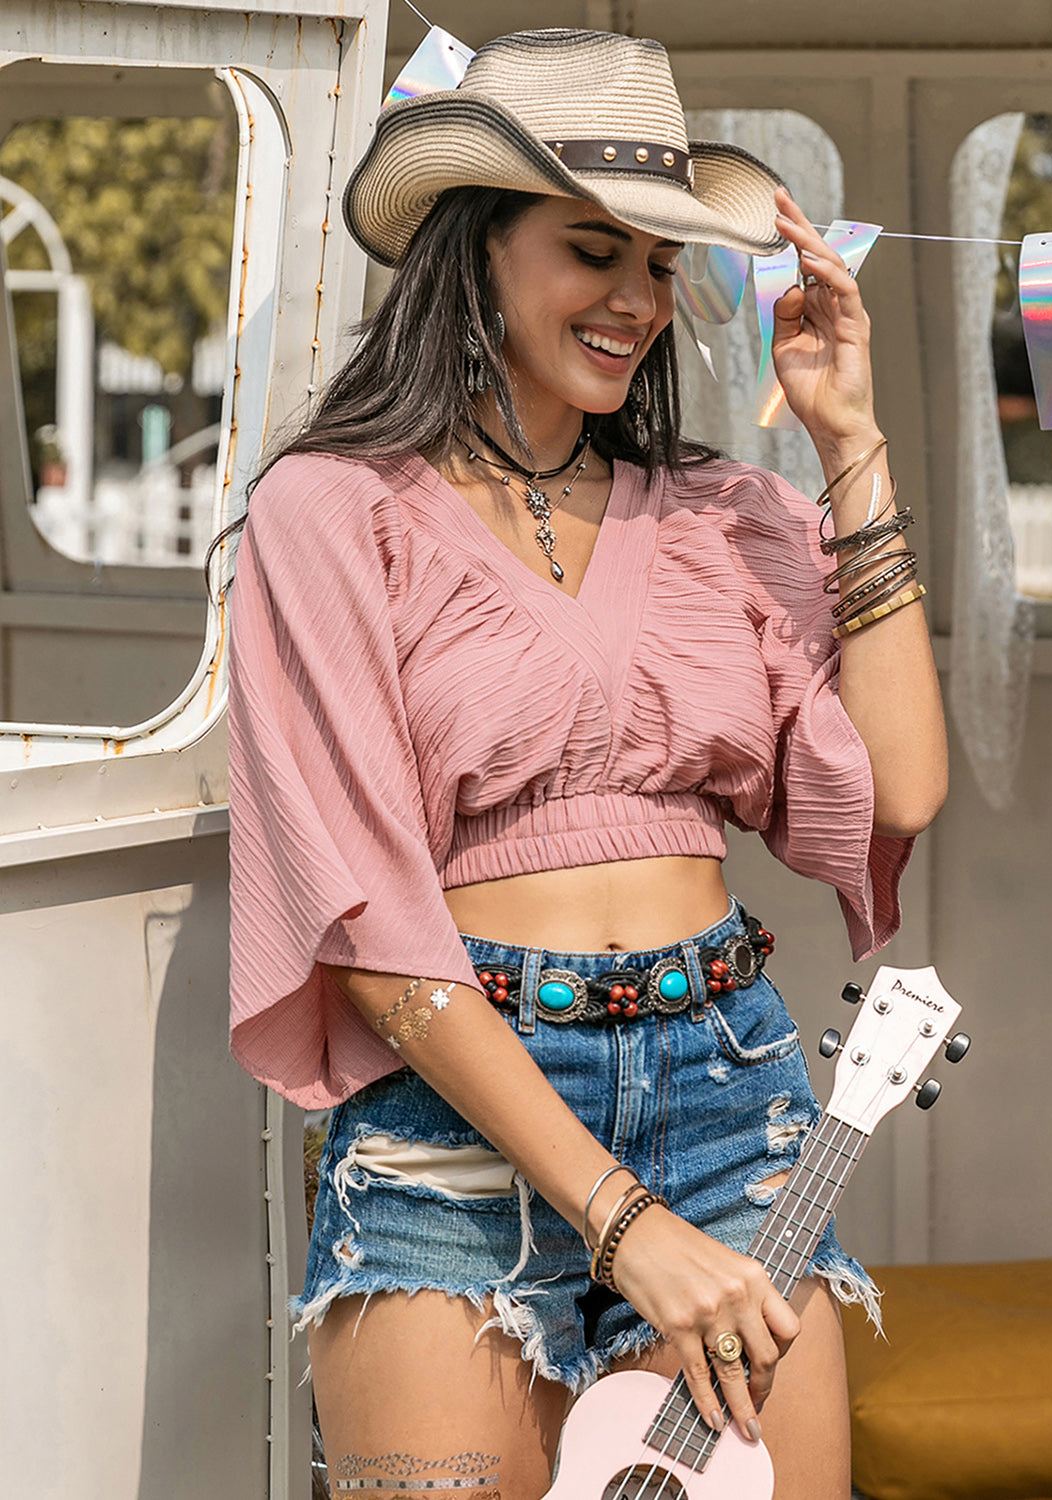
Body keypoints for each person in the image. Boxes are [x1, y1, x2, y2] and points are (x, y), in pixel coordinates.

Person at [226, 27, 947, 1500]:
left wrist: (850, 443)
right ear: (472, 249)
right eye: (589, 250)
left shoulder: (721, 512)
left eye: (661, 263)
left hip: (728, 1091)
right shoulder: (331, 511)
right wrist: (625, 1226)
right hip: (452, 1125)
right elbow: (365, 922)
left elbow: (900, 790)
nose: (636, 298)